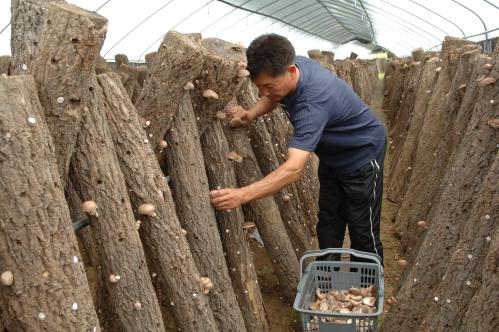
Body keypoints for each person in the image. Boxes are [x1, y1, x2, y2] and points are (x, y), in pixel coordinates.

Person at [209, 34, 386, 264]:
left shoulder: (312, 104)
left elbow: (293, 169)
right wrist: (250, 114)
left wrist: (242, 194)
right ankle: (329, 284)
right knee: (328, 222)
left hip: (362, 154)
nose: (263, 93)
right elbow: (274, 96)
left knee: (362, 228)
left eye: (267, 85)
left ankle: (368, 289)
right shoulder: (289, 68)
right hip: (333, 157)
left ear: (291, 72)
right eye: (259, 86)